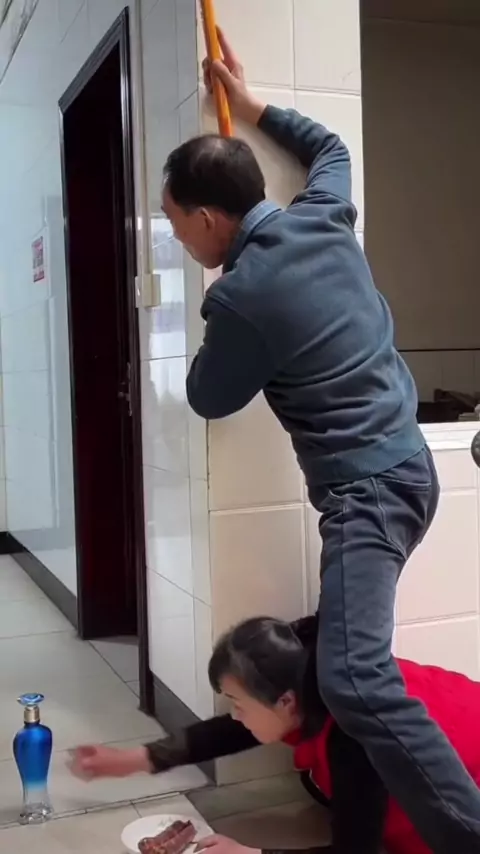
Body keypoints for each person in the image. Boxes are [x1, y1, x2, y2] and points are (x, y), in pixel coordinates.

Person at [160, 28, 480, 850]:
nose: (180, 241)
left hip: (368, 492)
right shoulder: (326, 214)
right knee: (346, 677)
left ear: (208, 219)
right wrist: (251, 101)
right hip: (407, 469)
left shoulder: (242, 296)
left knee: (354, 680)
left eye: (178, 225)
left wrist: (221, 301)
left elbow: (207, 396)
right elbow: (330, 148)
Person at [70, 617, 480, 854]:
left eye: (237, 702)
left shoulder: (357, 739)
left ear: (285, 701)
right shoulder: (308, 666)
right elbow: (239, 728)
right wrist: (135, 760)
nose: (234, 715)